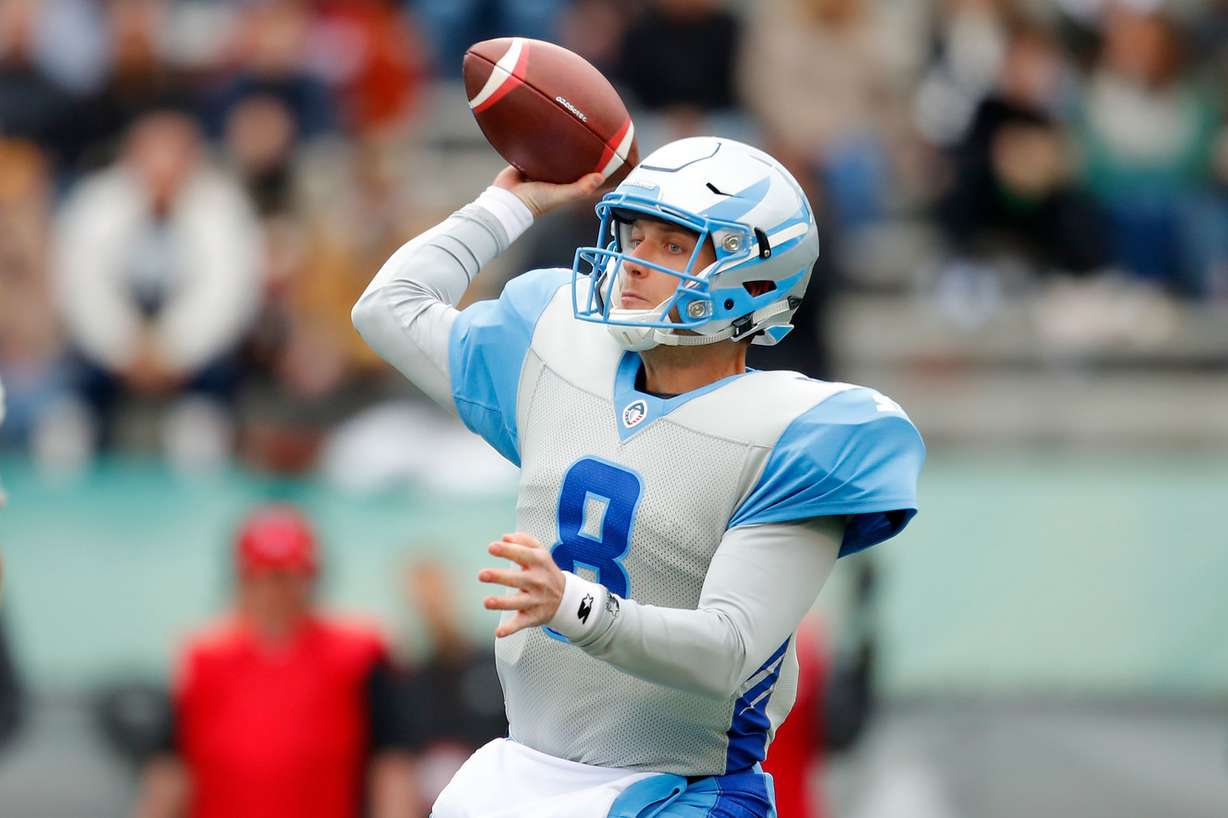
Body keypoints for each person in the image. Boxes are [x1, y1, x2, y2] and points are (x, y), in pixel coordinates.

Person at [352, 135, 925, 817]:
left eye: (672, 245)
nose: (633, 263)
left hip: (680, 790)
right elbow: (387, 307)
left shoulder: (795, 433)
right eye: (632, 235)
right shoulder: (558, 346)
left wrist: (573, 606)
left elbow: (729, 651)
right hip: (523, 770)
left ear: (756, 275)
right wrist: (505, 207)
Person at [132, 505, 415, 818]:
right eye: (262, 577)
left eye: (286, 577)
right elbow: (169, 772)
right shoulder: (202, 659)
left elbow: (391, 766)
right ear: (242, 580)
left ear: (312, 577)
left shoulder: (358, 655)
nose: (275, 592)